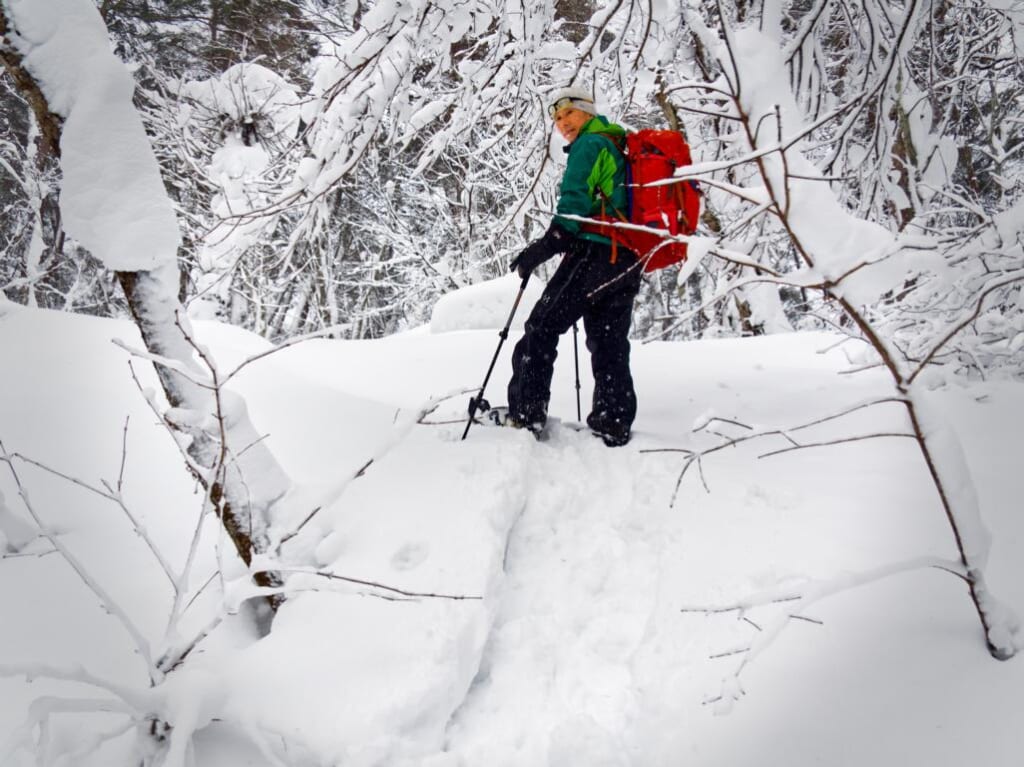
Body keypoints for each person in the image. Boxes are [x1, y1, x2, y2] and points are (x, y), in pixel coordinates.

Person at [505, 86, 642, 447]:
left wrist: (543, 248)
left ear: (587, 112)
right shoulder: (616, 145)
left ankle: (525, 413)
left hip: (594, 254)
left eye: (568, 114)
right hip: (626, 258)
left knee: (541, 326)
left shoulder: (588, 144)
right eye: (557, 119)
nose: (562, 123)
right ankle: (613, 421)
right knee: (609, 340)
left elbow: (574, 205)